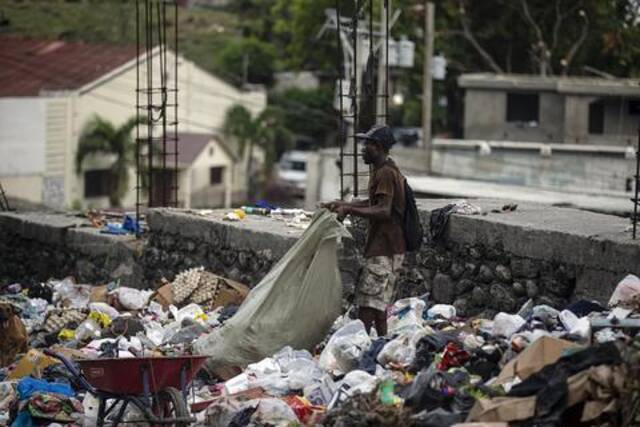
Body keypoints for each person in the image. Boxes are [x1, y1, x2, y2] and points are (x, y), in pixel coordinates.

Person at [324, 124, 406, 336]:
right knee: (378, 307)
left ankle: (358, 347)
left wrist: (349, 209)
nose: (362, 149)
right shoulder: (384, 170)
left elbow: (384, 210)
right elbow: (373, 202)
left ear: (377, 147)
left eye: (366, 144)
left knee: (367, 308)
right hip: (388, 248)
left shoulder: (386, 173)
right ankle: (380, 346)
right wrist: (341, 203)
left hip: (384, 250)